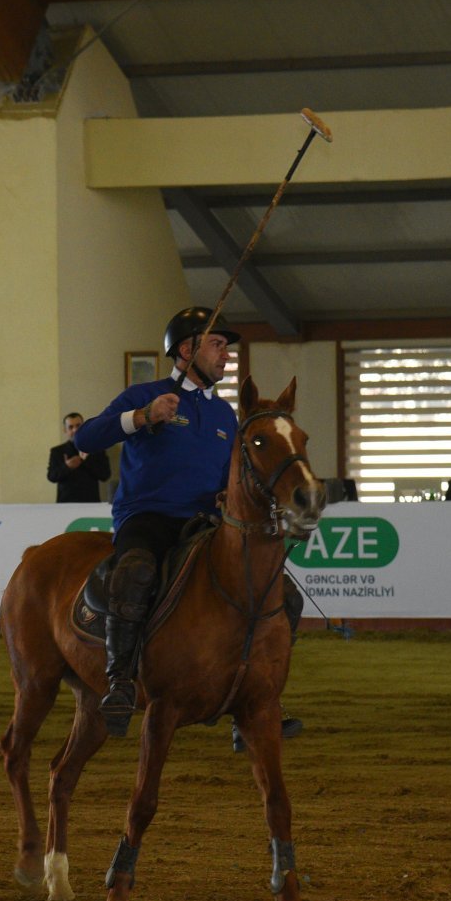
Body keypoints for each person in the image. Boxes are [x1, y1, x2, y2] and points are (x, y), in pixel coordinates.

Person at [74, 306, 303, 744]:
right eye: (217, 345)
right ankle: (119, 680)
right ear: (186, 349)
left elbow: (230, 475)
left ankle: (256, 696)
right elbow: (85, 440)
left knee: (284, 596)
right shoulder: (146, 394)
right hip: (147, 517)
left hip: (208, 524)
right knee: (135, 572)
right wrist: (141, 417)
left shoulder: (224, 416)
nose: (226, 356)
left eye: (226, 348)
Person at [47, 412, 111, 503]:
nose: (75, 430)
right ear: (65, 430)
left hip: (91, 503)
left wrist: (86, 461)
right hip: (65, 504)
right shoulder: (57, 451)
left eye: (78, 426)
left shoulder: (97, 449)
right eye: (71, 427)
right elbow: (51, 477)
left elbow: (105, 476)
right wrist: (67, 467)